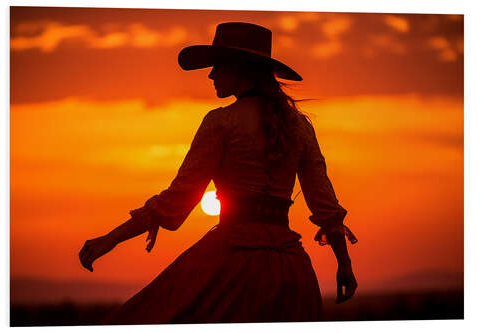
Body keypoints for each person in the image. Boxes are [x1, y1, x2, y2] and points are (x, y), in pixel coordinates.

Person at [79, 22, 358, 324]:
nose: (211, 75)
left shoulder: (220, 122)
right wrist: (344, 265)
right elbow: (325, 205)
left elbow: (178, 199)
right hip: (291, 272)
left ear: (240, 68)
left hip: (232, 265)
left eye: (217, 66)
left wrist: (111, 238)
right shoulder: (301, 127)